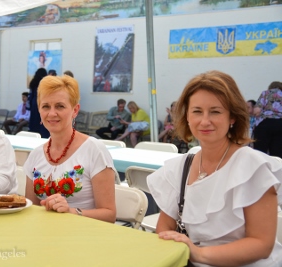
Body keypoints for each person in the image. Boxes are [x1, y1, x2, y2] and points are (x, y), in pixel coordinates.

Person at [147, 70, 282, 266]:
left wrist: (198, 254)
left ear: (232, 117)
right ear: (187, 117)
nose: (204, 121)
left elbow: (261, 245)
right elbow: (164, 228)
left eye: (215, 111)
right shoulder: (180, 167)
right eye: (197, 111)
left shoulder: (253, 168)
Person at [24, 75, 116, 223]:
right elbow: (31, 209)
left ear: (75, 110)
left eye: (60, 106)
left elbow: (109, 215)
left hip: (83, 237)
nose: (52, 113)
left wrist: (71, 212)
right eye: (46, 106)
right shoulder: (35, 155)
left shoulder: (94, 150)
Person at [253, 81, 282, 157]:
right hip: (280, 124)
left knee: (260, 153)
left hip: (265, 124)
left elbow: (257, 111)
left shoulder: (265, 93)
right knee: (278, 154)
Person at [28, 68, 50, 138]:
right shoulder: (44, 83)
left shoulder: (33, 83)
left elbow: (30, 97)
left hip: (34, 104)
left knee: (34, 124)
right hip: (42, 103)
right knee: (42, 124)